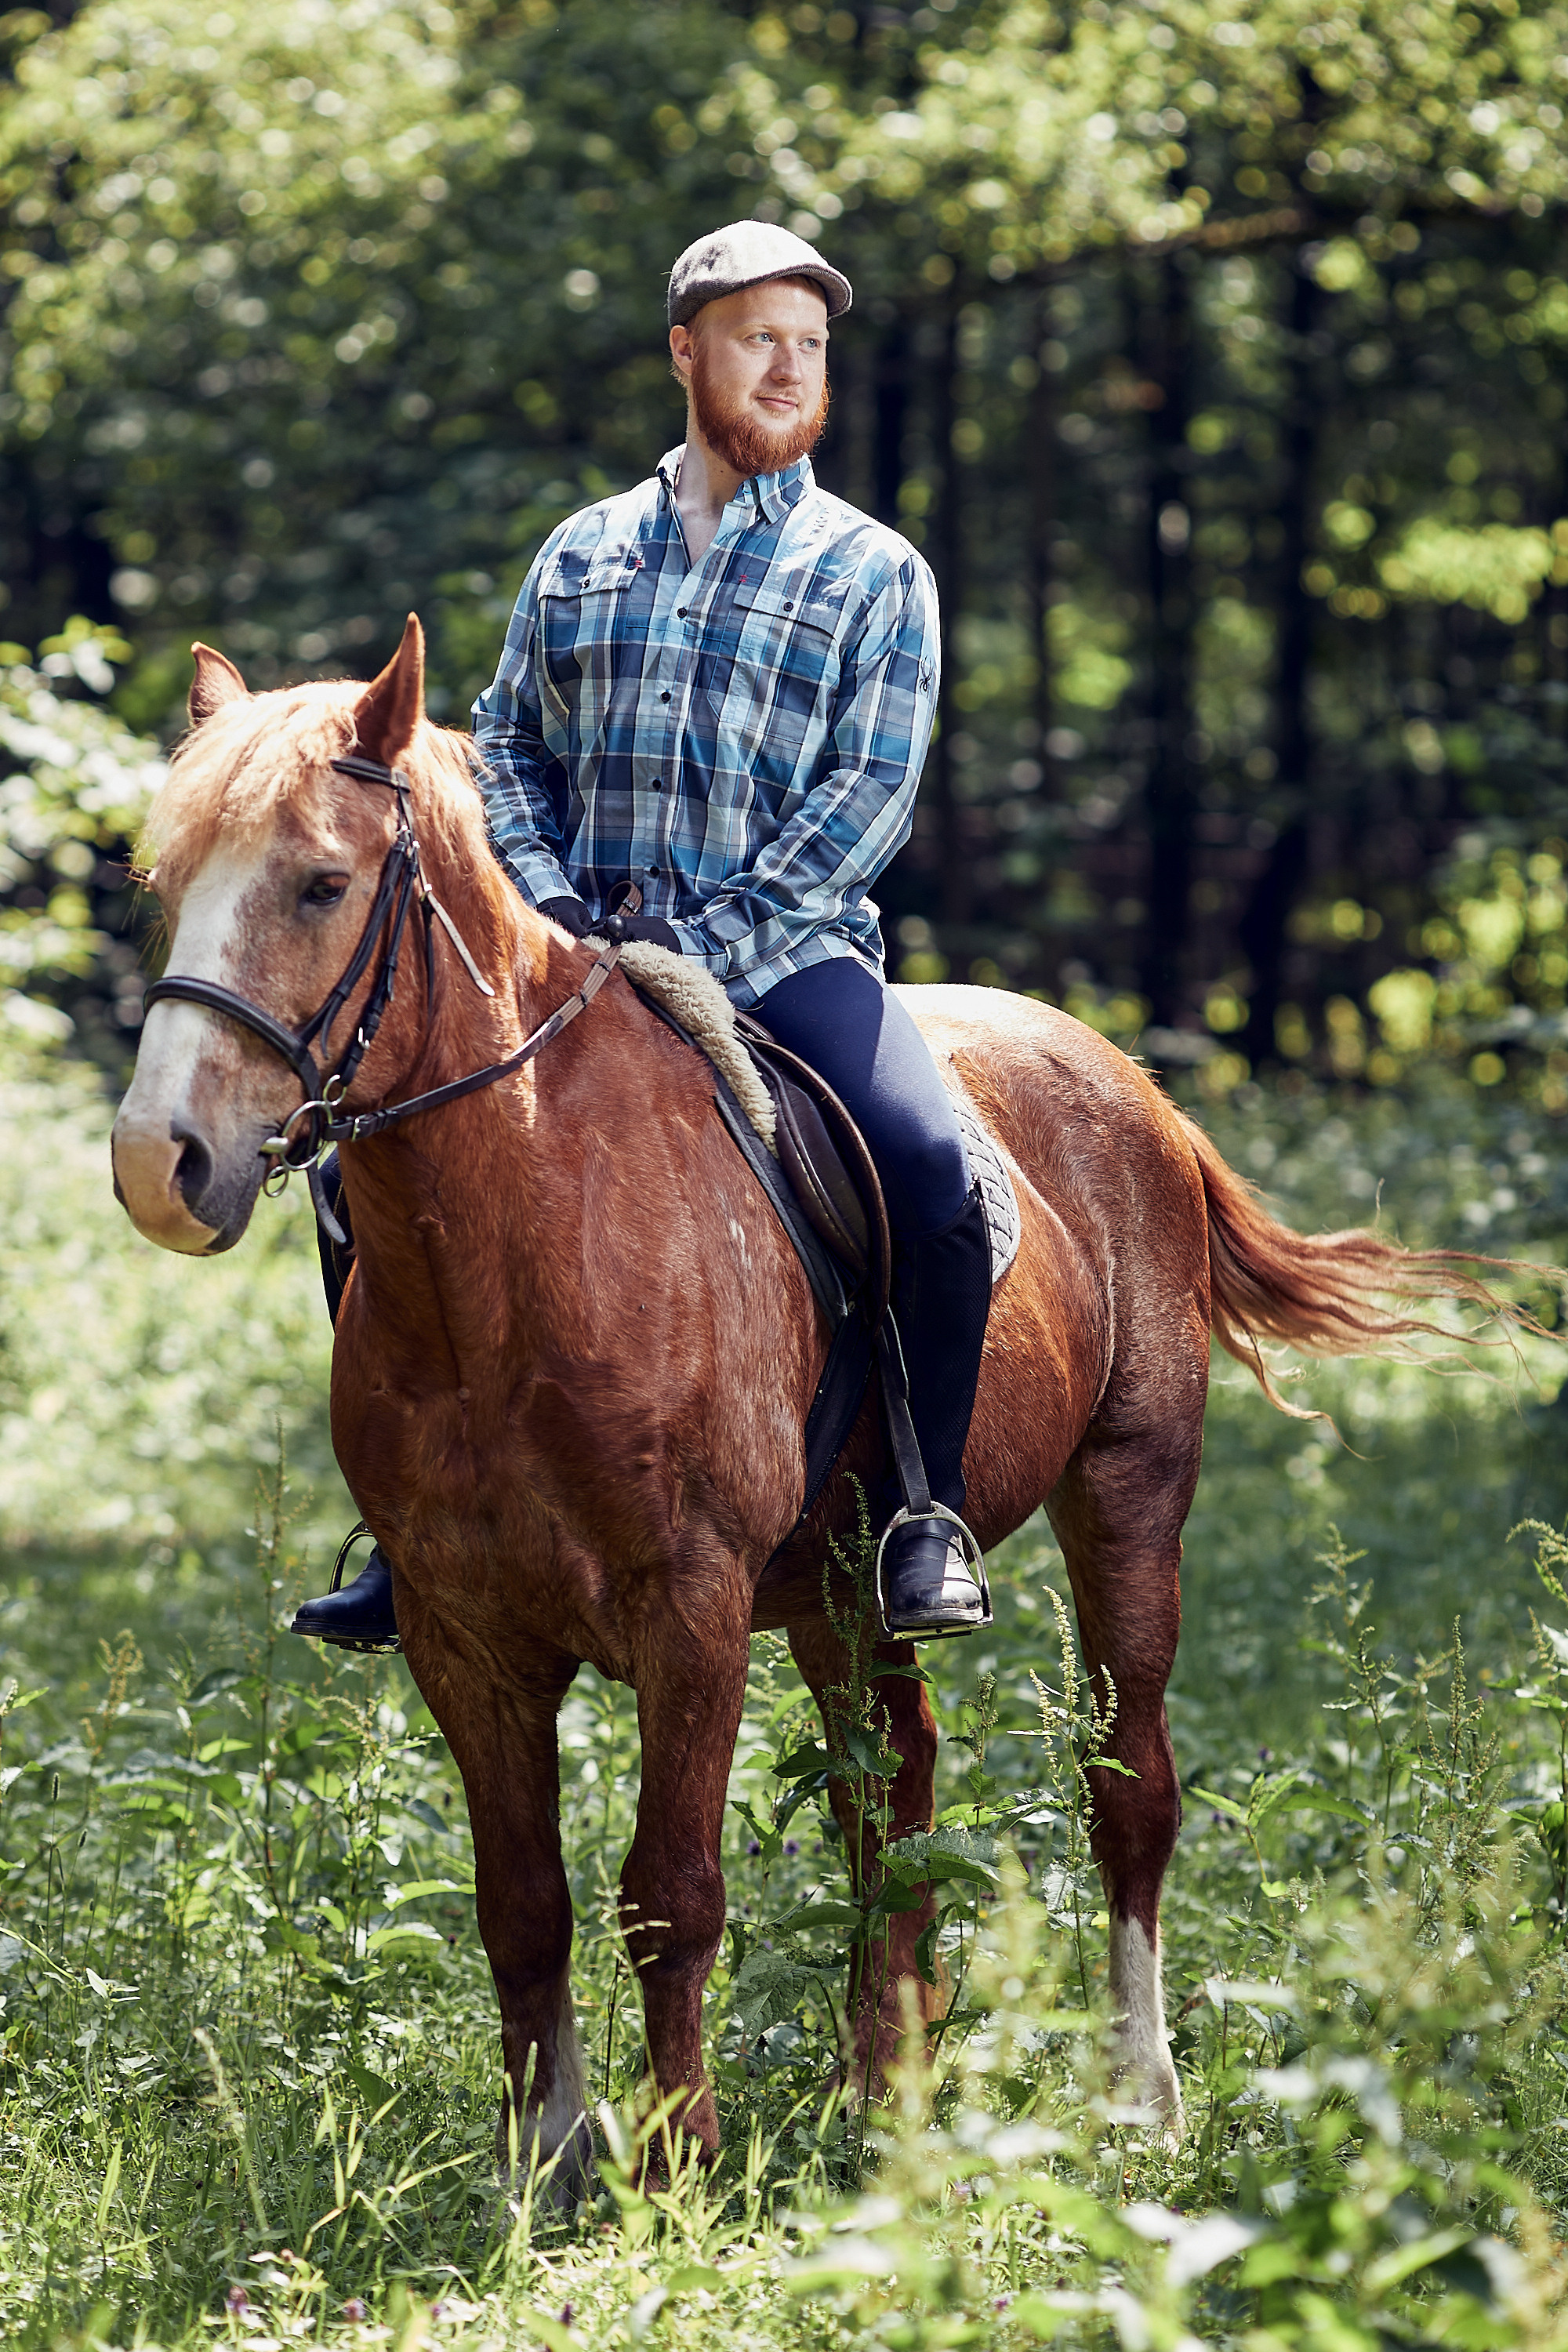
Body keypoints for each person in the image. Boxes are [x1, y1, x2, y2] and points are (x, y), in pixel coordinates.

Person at [292, 220, 992, 1652]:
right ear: (686, 350)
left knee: (929, 1173)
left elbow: (869, 794)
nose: (789, 368)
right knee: (350, 1162)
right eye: (758, 339)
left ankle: (924, 1508)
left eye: (811, 345)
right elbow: (505, 748)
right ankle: (410, 1519)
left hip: (787, 960)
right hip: (564, 962)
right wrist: (547, 906)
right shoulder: (582, 554)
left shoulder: (876, 572)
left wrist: (709, 942)